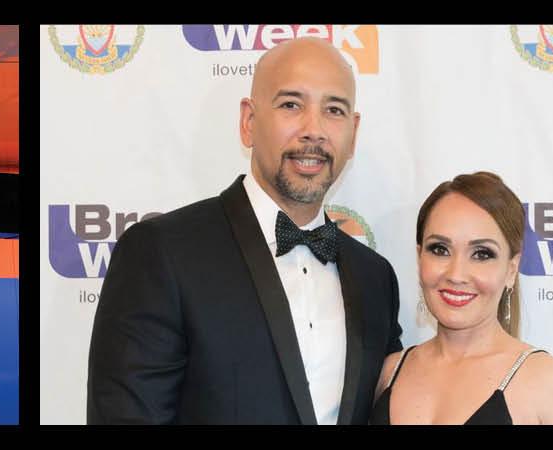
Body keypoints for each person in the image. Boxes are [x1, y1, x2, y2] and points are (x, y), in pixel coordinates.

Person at [86, 37, 402, 424]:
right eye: (291, 105)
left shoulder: (375, 278)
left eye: (333, 110)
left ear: (352, 133)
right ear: (248, 122)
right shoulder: (162, 254)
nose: (313, 130)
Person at [370, 172, 553, 425]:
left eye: (481, 254)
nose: (456, 274)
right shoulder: (389, 372)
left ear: (511, 269)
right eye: (440, 249)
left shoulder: (551, 385)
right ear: (420, 256)